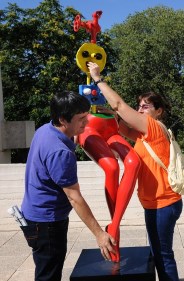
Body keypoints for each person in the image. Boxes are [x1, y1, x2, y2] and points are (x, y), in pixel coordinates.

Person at [87, 62, 183, 281]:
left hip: (164, 204)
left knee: (163, 255)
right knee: (159, 253)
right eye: (139, 106)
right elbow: (119, 123)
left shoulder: (154, 127)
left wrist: (97, 78)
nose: (140, 110)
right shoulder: (142, 134)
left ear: (159, 111)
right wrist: (105, 112)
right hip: (155, 204)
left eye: (146, 106)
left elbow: (120, 106)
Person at [21, 91, 116, 281]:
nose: (86, 123)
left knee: (46, 269)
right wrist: (99, 234)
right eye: (81, 119)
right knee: (49, 275)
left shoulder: (45, 130)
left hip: (34, 217)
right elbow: (74, 197)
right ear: (63, 120)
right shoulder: (60, 153)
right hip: (47, 225)